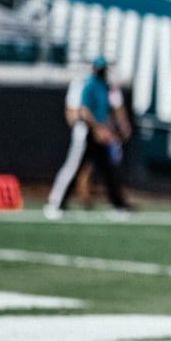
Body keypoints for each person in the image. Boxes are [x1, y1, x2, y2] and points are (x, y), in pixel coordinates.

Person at [45, 56, 132, 219]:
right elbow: (83, 111)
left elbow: (113, 108)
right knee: (73, 167)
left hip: (100, 134)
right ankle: (55, 202)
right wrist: (98, 128)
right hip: (86, 133)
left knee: (107, 169)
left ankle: (118, 205)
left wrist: (113, 128)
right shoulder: (88, 85)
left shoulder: (105, 86)